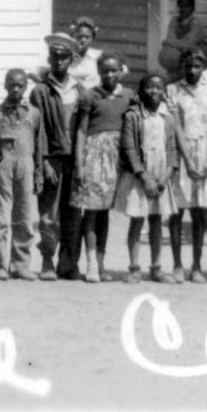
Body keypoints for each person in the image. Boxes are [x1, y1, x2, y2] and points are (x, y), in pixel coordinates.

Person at [71, 51, 135, 283]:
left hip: (117, 158)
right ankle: (90, 264)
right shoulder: (90, 96)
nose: (109, 74)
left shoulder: (127, 96)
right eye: (105, 70)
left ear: (120, 72)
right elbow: (81, 131)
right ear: (99, 72)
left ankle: (100, 263)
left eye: (113, 70)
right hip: (94, 156)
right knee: (91, 211)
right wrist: (79, 164)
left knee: (105, 213)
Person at [115, 73, 180, 284]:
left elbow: (172, 149)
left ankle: (156, 267)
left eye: (158, 88)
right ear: (141, 91)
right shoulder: (133, 116)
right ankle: (134, 268)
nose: (154, 91)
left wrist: (164, 177)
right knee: (137, 219)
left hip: (161, 174)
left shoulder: (167, 117)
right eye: (149, 87)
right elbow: (129, 149)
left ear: (163, 92)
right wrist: (145, 177)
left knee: (156, 220)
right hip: (140, 174)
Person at [30, 32, 84, 280]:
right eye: (55, 56)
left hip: (75, 160)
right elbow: (37, 131)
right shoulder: (40, 91)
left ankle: (69, 263)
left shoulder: (80, 89)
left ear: (71, 60)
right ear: (49, 58)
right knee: (49, 214)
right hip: (52, 159)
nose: (59, 61)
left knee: (73, 213)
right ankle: (47, 261)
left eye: (64, 57)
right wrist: (43, 162)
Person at [0, 68, 46, 281]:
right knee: (0, 216)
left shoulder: (34, 113)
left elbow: (39, 146)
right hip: (4, 165)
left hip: (26, 164)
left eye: (20, 85)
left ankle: (20, 264)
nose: (15, 89)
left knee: (24, 216)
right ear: (5, 85)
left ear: (25, 87)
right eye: (11, 84)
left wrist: (38, 173)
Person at [167, 46, 207, 283]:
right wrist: (186, 160)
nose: (192, 70)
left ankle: (197, 266)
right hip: (181, 152)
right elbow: (175, 126)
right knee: (177, 211)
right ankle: (177, 264)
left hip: (205, 153)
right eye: (188, 66)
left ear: (204, 67)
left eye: (197, 66)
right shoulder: (173, 90)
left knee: (200, 213)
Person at [158, 0, 207, 78]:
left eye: (187, 6)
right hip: (177, 61)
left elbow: (187, 43)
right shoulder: (175, 20)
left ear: (193, 8)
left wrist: (168, 43)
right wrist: (172, 42)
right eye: (181, 6)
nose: (183, 9)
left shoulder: (196, 23)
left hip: (194, 59)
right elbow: (170, 37)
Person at [68, 16, 103, 89]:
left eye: (87, 37)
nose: (83, 40)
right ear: (72, 37)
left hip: (92, 96)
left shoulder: (97, 55)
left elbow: (123, 69)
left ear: (92, 38)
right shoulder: (66, 55)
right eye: (79, 36)